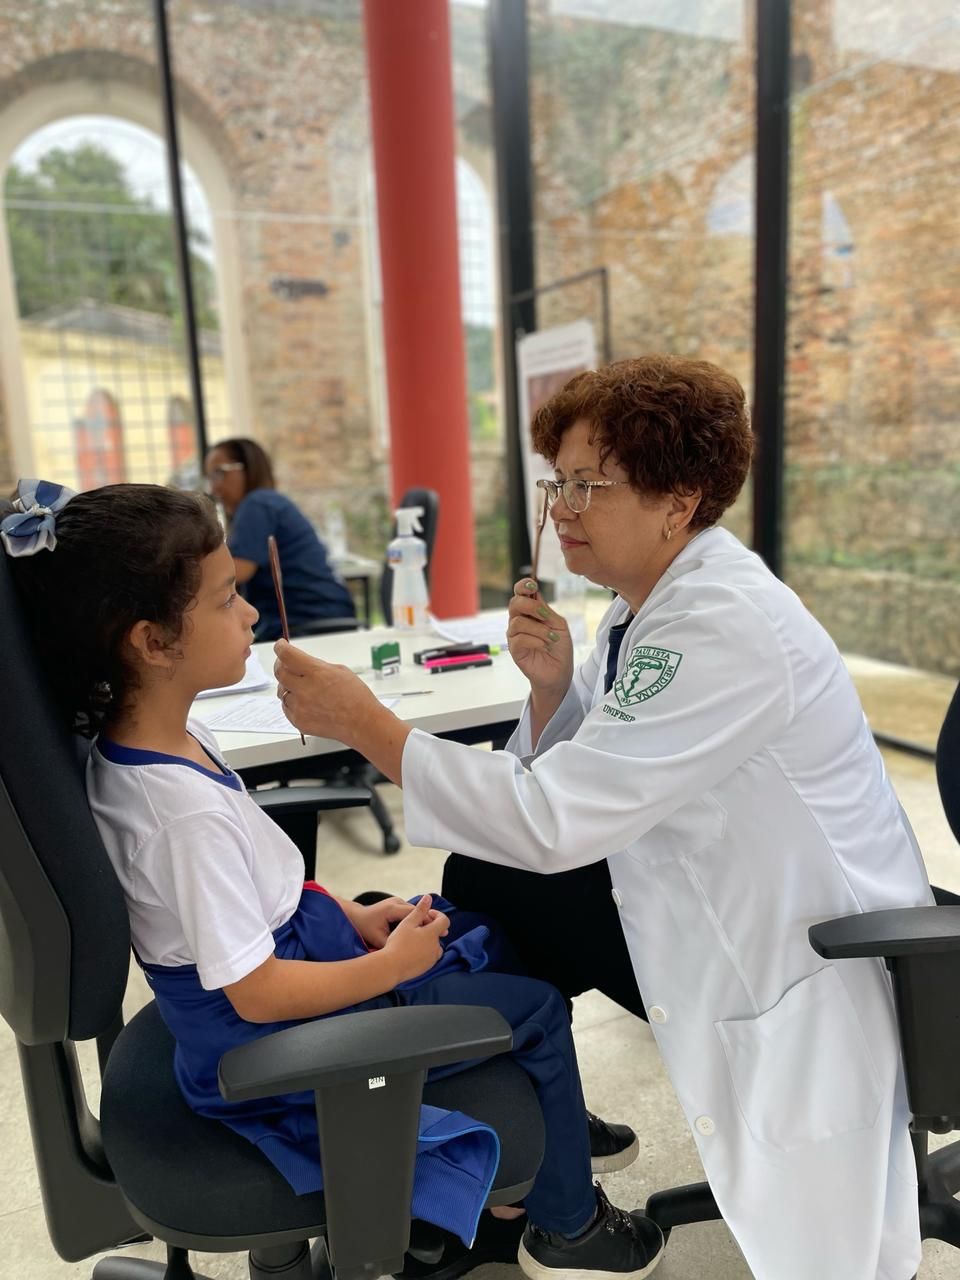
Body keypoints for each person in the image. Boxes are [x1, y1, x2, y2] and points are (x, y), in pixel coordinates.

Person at [272, 355, 935, 1280]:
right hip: (703, 897)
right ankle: (523, 1147)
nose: (562, 510)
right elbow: (598, 768)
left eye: (590, 484)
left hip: (801, 946)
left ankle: (518, 1164)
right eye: (559, 482)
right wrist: (553, 692)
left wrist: (366, 725)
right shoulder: (639, 611)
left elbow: (555, 817)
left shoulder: (721, 621)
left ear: (679, 501)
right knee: (491, 881)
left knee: (510, 868)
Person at [0, 479, 665, 1280]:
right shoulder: (179, 818)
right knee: (537, 1009)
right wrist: (390, 968)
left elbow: (258, 888)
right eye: (226, 599)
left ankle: (538, 1148)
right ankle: (569, 1229)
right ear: (153, 642)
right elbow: (256, 993)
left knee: (479, 925)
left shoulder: (163, 742)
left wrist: (352, 914)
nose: (251, 613)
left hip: (295, 964)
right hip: (266, 1042)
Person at [205, 436, 355, 640]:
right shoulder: (267, 502)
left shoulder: (257, 504)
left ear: (247, 468)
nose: (213, 488)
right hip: (316, 615)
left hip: (308, 619)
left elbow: (235, 572)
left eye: (219, 473)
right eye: (210, 478)